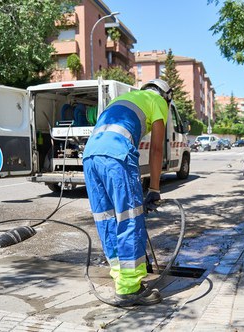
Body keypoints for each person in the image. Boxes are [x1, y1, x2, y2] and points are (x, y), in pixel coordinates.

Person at [82, 79, 172, 306]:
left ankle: (120, 278)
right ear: (166, 95)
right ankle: (130, 289)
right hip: (117, 157)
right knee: (130, 218)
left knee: (107, 220)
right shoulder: (158, 101)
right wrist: (154, 188)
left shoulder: (123, 99)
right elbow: (158, 148)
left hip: (90, 157)